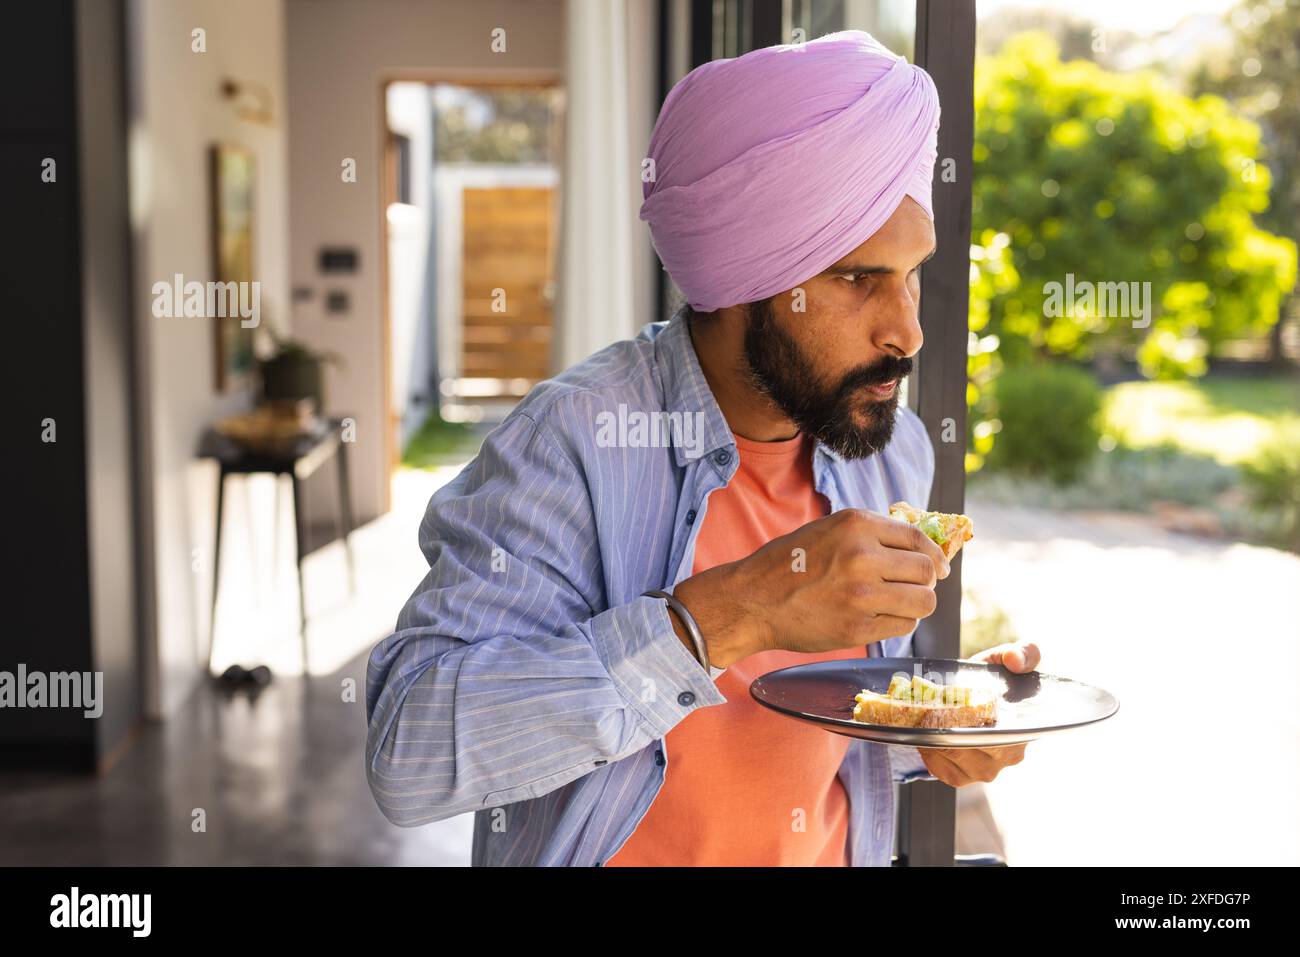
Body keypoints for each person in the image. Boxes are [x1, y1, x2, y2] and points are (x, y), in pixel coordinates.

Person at [365, 30, 1039, 866]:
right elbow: (409, 752)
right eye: (857, 278)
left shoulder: (889, 451)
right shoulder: (575, 444)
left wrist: (931, 729)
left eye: (911, 276)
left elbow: (810, 741)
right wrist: (731, 614)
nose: (908, 331)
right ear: (750, 280)